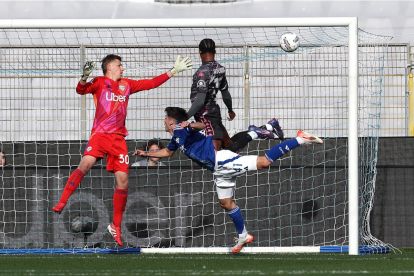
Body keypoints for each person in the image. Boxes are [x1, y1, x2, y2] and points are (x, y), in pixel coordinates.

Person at [135, 107, 323, 254]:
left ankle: (300, 139)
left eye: (165, 118)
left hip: (221, 160)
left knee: (264, 162)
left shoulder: (182, 129)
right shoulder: (176, 137)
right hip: (218, 171)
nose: (163, 121)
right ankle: (243, 236)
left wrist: (190, 124)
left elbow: (202, 126)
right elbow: (167, 152)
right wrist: (146, 153)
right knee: (226, 203)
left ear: (170, 120)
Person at [52, 54, 192, 247]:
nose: (123, 68)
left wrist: (173, 71)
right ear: (110, 67)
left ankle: (115, 226)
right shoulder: (99, 82)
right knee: (85, 165)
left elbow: (150, 83)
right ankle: (62, 201)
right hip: (100, 135)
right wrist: (83, 77)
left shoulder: (126, 85)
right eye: (119, 65)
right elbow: (80, 90)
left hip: (118, 139)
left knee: (123, 181)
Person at [188, 38, 284, 152]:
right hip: (213, 112)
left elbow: (199, 101)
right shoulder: (220, 69)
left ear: (199, 52)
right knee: (230, 146)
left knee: (214, 155)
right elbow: (225, 92)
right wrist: (230, 109)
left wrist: (184, 117)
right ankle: (266, 127)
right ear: (215, 51)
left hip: (205, 115)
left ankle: (257, 131)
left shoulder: (202, 72)